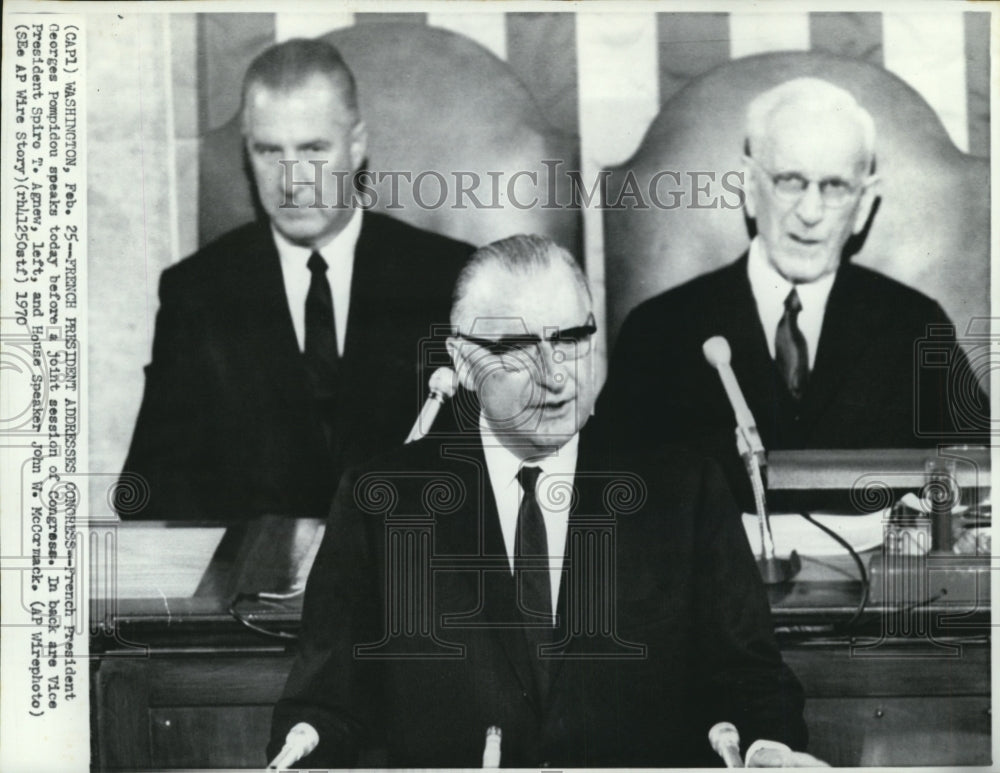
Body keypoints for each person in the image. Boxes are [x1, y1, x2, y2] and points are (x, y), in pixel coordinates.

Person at [268, 235, 818, 768]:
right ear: (462, 361)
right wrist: (301, 754)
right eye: (518, 348)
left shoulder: (685, 491)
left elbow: (752, 683)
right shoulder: (380, 503)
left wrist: (766, 751)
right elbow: (324, 706)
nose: (555, 375)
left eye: (572, 339)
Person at [115, 39, 472, 520]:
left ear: (357, 145)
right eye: (268, 150)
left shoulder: (449, 280)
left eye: (313, 149)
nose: (291, 180)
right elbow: (147, 494)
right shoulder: (196, 294)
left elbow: (493, 478)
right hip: (246, 587)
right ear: (246, 152)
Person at [599, 77, 988, 507]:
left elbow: (979, 477)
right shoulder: (659, 329)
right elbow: (614, 489)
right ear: (748, 186)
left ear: (863, 204)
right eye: (790, 181)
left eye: (835, 186)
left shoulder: (916, 325)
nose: (810, 212)